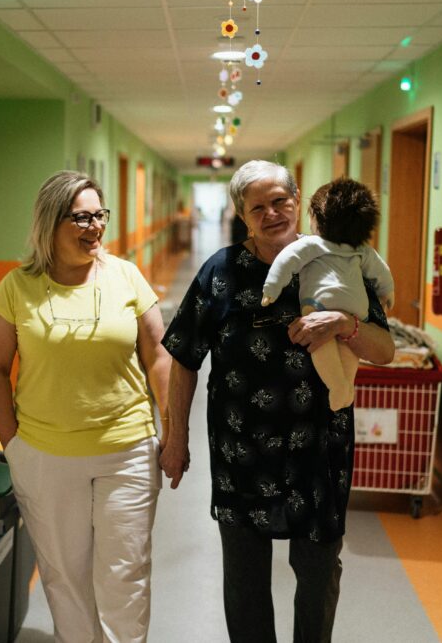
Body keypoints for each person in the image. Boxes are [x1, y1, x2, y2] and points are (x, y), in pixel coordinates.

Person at [159, 160, 394, 643]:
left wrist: (344, 326)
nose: (271, 214)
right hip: (240, 455)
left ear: (297, 200)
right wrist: (175, 438)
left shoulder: (342, 260)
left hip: (320, 454)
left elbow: (385, 350)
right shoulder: (220, 273)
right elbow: (184, 357)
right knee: (244, 584)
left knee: (318, 574)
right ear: (243, 217)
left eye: (280, 201)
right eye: (257, 207)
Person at [0, 170, 170, 643]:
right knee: (64, 578)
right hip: (45, 455)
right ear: (51, 222)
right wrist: (14, 446)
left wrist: (172, 433)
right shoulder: (15, 289)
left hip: (127, 450)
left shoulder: (126, 276)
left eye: (99, 215)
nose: (95, 227)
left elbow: (159, 357)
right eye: (81, 217)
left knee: (125, 575)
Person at [261, 177, 394, 410]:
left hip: (318, 303)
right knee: (347, 348)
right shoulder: (362, 250)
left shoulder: (313, 244)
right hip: (357, 309)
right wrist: (387, 292)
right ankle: (346, 386)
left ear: (317, 218)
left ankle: (338, 386)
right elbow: (382, 272)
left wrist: (271, 288)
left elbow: (286, 260)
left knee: (320, 344)